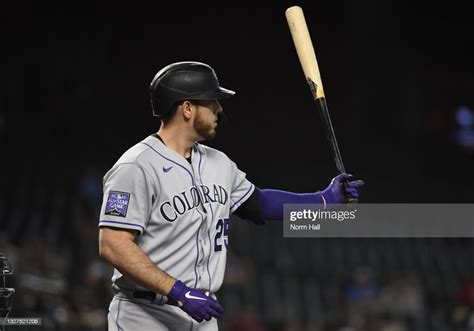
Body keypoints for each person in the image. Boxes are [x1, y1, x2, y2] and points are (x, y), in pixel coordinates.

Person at [98, 61, 364, 330]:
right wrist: (178, 291)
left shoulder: (219, 163)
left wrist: (323, 199)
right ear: (187, 108)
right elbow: (113, 244)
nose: (219, 109)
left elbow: (259, 204)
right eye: (212, 101)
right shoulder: (136, 166)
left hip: (201, 313)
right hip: (144, 314)